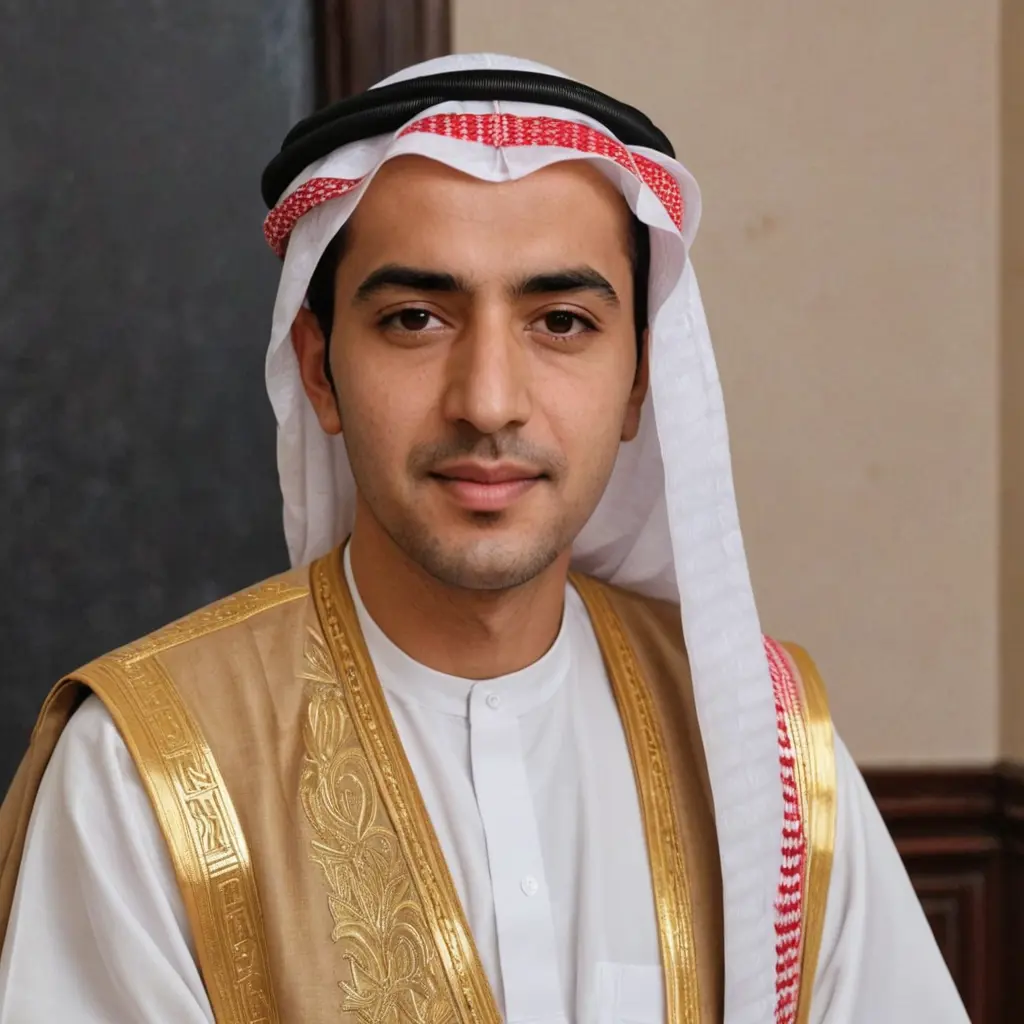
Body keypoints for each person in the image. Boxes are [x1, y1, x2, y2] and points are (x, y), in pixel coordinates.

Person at [0, 53, 967, 1024]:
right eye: (416, 319)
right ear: (321, 371)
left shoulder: (768, 749)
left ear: (641, 380)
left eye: (561, 322)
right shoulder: (142, 772)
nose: (489, 400)